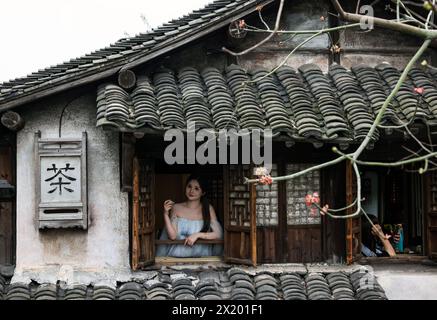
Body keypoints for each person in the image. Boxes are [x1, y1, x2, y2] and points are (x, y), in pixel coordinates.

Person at [156, 174, 223, 257]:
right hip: (177, 256)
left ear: (203, 192)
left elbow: (218, 234)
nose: (191, 191)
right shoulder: (176, 207)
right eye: (189, 186)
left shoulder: (208, 208)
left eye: (196, 188)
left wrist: (197, 235)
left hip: (202, 258)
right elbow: (172, 236)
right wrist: (165, 213)